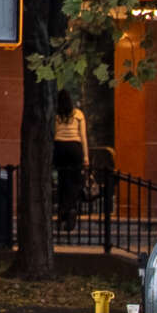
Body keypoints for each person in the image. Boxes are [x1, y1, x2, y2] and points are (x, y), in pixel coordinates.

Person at [53, 91, 90, 233]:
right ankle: (70, 208)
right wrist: (86, 157)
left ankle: (62, 210)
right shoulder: (78, 115)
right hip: (74, 147)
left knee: (63, 180)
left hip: (60, 147)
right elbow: (83, 136)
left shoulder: (56, 115)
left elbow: (53, 133)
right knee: (75, 182)